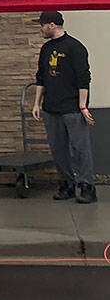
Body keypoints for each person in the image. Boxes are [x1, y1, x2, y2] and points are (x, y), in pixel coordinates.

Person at [32, 11, 96, 204]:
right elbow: (41, 77)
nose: (41, 29)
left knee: (80, 149)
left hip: (73, 108)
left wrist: (82, 105)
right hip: (51, 108)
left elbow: (84, 78)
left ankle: (86, 187)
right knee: (58, 149)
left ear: (51, 25)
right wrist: (37, 103)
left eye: (42, 25)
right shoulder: (45, 49)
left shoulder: (75, 47)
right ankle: (66, 184)